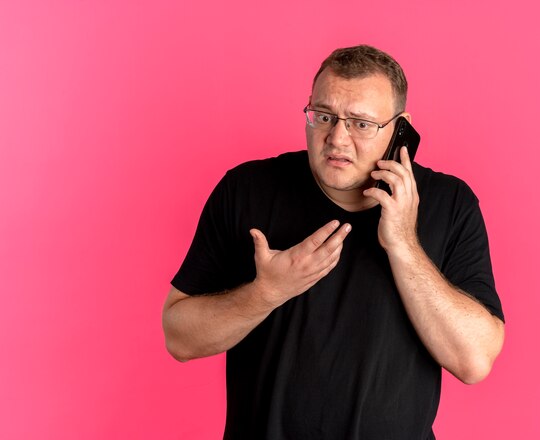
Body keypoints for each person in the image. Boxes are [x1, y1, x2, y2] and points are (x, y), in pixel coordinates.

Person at [162, 45, 505, 440]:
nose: (337, 138)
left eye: (361, 123)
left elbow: (474, 361)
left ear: (400, 128)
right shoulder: (246, 190)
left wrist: (404, 245)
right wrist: (266, 293)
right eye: (323, 116)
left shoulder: (451, 203)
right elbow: (178, 337)